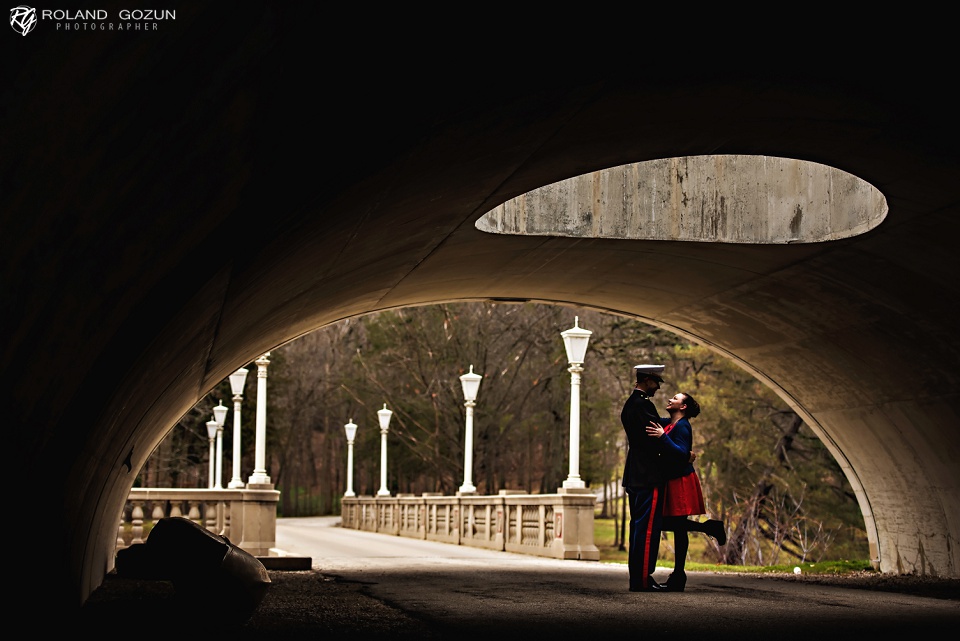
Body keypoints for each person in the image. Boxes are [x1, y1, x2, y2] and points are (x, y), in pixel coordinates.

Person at [646, 391, 727, 592]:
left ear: (683, 407)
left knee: (677, 526)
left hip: (681, 480)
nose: (670, 399)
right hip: (672, 479)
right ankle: (709, 529)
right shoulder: (670, 423)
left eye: (675, 398)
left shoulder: (682, 426)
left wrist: (664, 437)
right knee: (674, 524)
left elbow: (682, 452)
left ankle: (679, 575)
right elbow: (654, 419)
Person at [620, 364, 670, 592]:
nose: (658, 387)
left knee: (638, 528)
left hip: (636, 474)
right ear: (647, 379)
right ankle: (642, 579)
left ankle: (639, 578)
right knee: (647, 529)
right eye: (656, 382)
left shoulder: (633, 405)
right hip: (648, 475)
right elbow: (655, 437)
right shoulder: (641, 405)